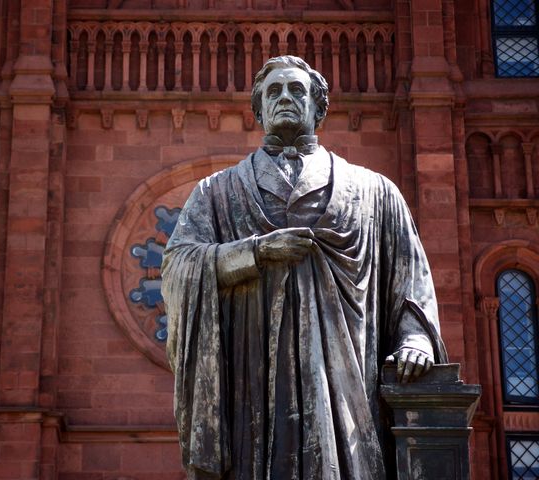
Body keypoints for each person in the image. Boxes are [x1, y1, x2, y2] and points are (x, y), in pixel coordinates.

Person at [161, 55, 448, 480]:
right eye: (273, 92)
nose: (285, 99)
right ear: (258, 111)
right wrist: (255, 253)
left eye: (297, 90)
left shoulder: (375, 193)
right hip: (251, 393)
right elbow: (178, 265)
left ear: (319, 106)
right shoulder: (216, 194)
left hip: (347, 393)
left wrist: (417, 340)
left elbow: (409, 278)